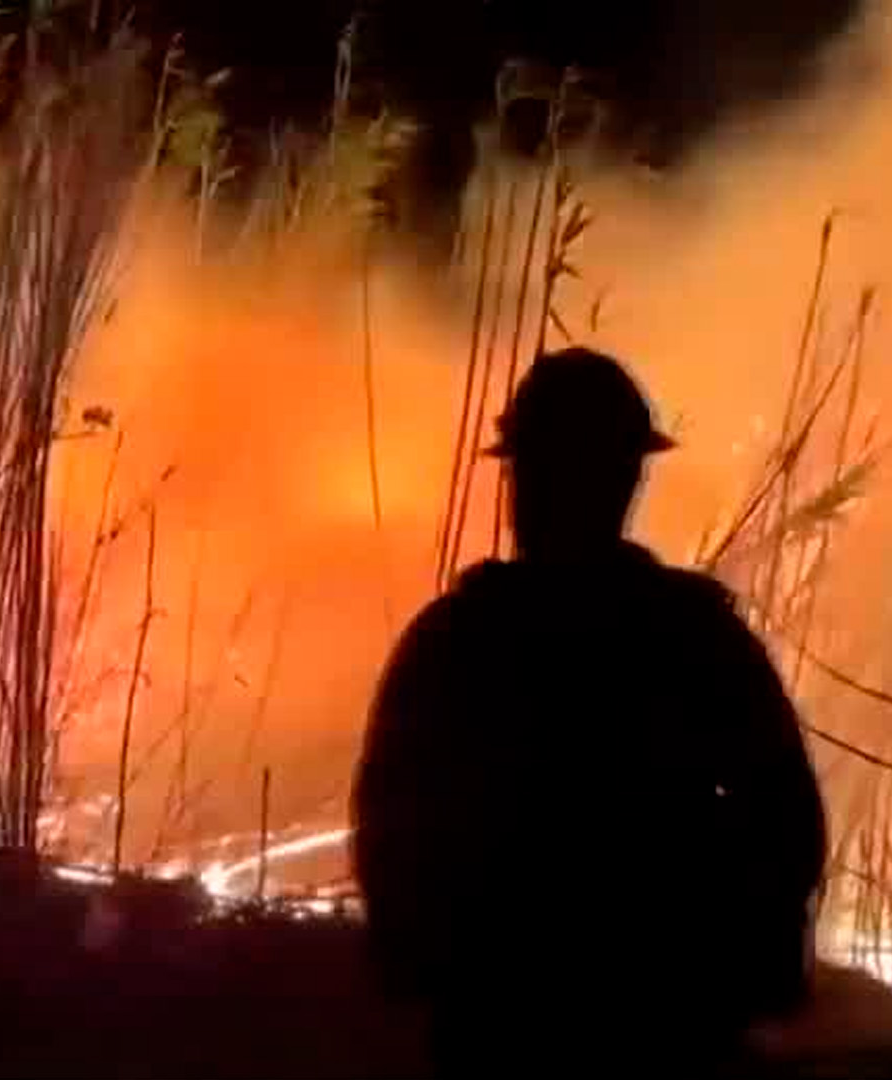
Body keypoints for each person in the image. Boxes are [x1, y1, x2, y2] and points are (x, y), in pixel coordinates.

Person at [351, 347, 828, 1077]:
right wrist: (743, 958)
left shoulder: (458, 639)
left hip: (506, 1023)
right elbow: (787, 820)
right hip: (662, 1021)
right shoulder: (694, 636)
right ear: (629, 477)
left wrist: (421, 952)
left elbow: (389, 823)